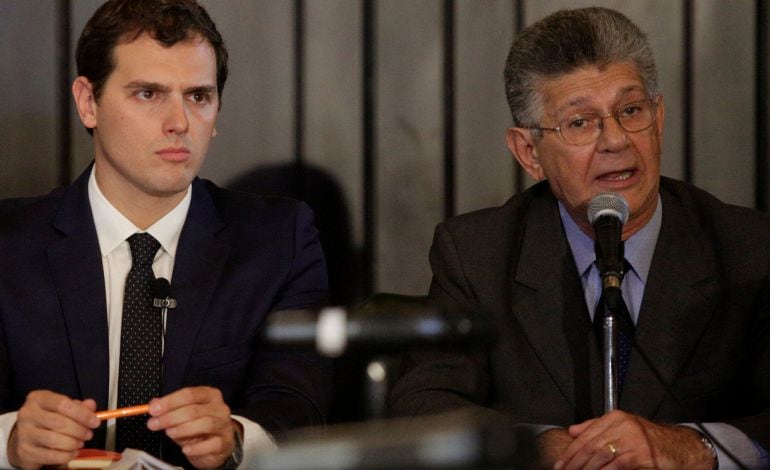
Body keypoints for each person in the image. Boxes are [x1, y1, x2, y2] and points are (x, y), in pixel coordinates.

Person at [389, 7, 770, 469]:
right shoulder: (476, 254)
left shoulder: (749, 249)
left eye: (631, 111)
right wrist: (536, 448)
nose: (615, 140)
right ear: (529, 152)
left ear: (660, 119)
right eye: (580, 122)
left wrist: (694, 446)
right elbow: (423, 403)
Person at [0, 0, 332, 468]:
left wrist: (237, 436)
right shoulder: (7, 245)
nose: (179, 122)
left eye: (198, 96)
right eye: (148, 94)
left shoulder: (279, 241)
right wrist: (10, 439)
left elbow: (300, 406)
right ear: (88, 102)